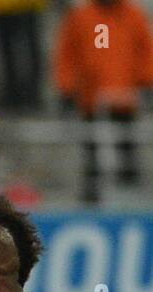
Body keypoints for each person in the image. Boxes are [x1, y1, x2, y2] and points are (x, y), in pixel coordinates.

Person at [54, 0, 153, 202]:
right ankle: (92, 198)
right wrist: (66, 87)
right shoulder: (81, 16)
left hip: (125, 97)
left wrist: (147, 81)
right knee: (92, 153)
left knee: (127, 150)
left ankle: (130, 196)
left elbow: (145, 49)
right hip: (91, 98)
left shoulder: (133, 15)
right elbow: (68, 53)